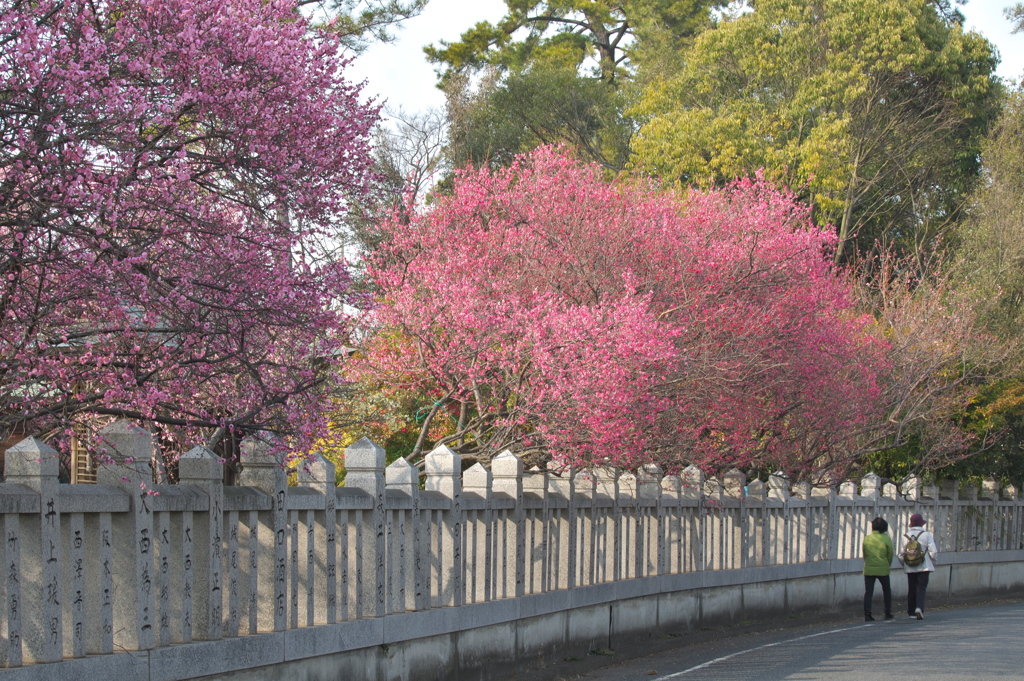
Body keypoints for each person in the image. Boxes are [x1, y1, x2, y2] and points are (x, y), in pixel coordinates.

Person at [899, 512, 937, 619]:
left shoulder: (905, 536)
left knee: (911, 588)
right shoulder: (926, 535)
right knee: (921, 588)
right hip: (924, 566)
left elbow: (901, 554)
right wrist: (933, 562)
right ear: (921, 524)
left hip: (910, 566)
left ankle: (911, 612)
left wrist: (905, 564)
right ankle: (919, 607)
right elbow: (933, 552)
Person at [862, 517, 894, 621]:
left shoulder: (867, 538)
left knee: (868, 592)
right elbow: (890, 555)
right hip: (883, 568)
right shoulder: (886, 538)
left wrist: (868, 561)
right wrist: (887, 564)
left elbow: (864, 553)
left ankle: (867, 614)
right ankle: (887, 612)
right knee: (886, 590)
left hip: (869, 568)